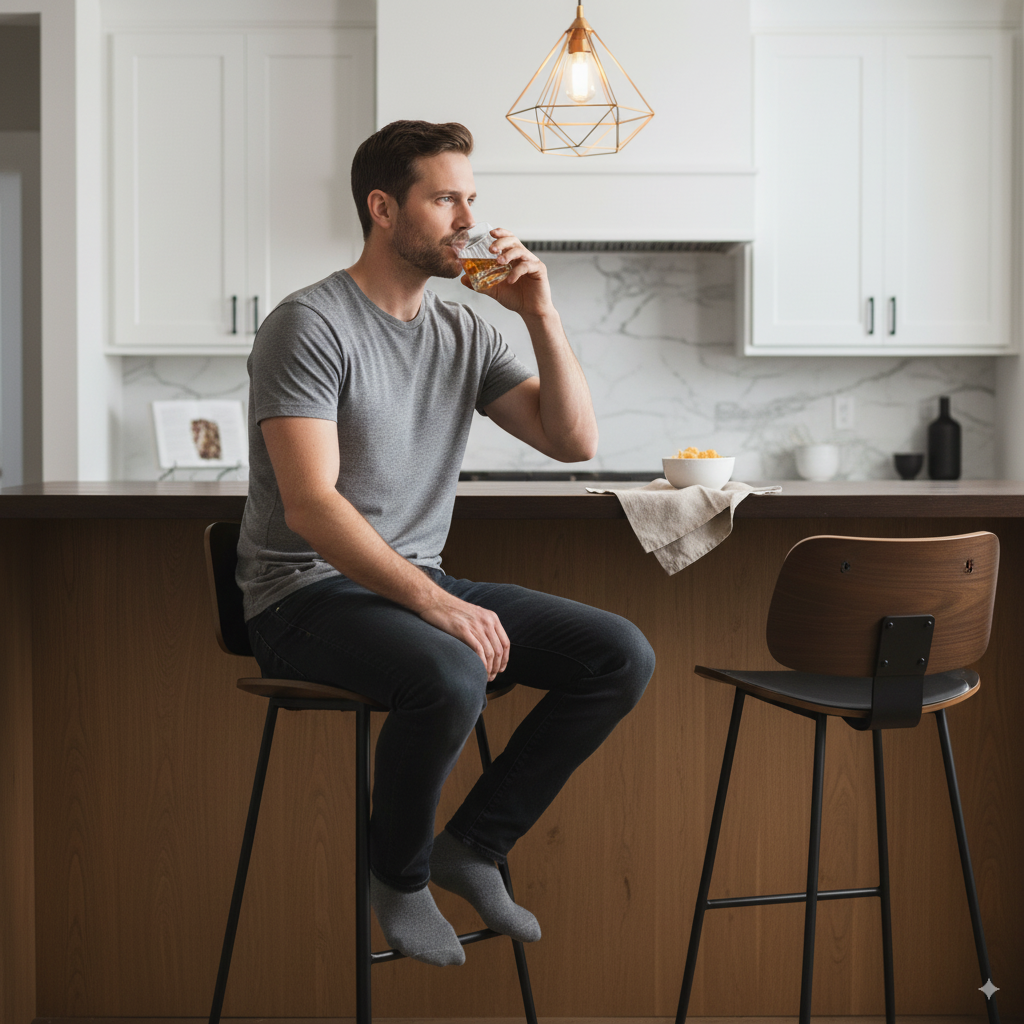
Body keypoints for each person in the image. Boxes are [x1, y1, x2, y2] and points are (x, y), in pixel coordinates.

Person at [237, 120, 655, 967]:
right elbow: (312, 506)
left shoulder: (466, 332)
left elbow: (572, 442)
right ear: (383, 208)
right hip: (301, 596)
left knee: (619, 655)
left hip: (405, 581)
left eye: (472, 197)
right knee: (452, 666)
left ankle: (475, 846)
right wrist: (439, 604)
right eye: (446, 197)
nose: (468, 217)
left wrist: (541, 313)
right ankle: (399, 875)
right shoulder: (309, 324)